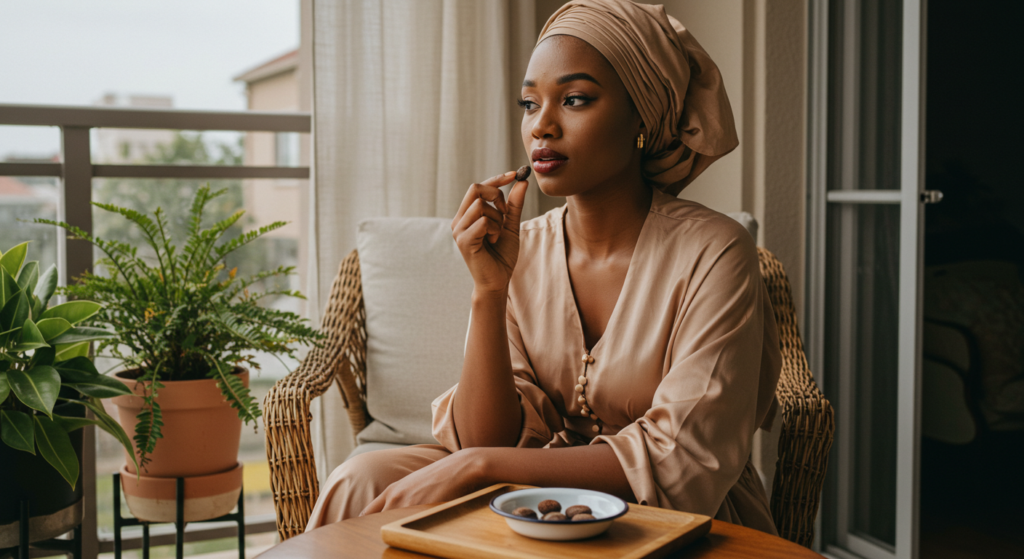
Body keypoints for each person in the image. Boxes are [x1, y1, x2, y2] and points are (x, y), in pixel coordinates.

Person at [306, 0, 781, 535]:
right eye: (529, 104)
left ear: (642, 116)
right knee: (361, 479)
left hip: (665, 509)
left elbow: (684, 458)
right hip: (529, 496)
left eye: (575, 100)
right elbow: (485, 439)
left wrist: (479, 468)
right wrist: (489, 290)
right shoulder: (522, 249)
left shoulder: (715, 251)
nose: (542, 127)